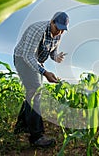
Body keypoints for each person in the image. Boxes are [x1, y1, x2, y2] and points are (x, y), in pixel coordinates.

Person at [13, 11, 69, 148]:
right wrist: (45, 72)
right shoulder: (37, 30)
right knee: (35, 92)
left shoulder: (58, 34)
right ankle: (36, 137)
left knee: (32, 92)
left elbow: (52, 52)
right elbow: (28, 56)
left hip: (36, 61)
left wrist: (57, 57)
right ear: (52, 21)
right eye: (57, 28)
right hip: (22, 58)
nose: (59, 33)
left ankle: (21, 127)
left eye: (62, 30)